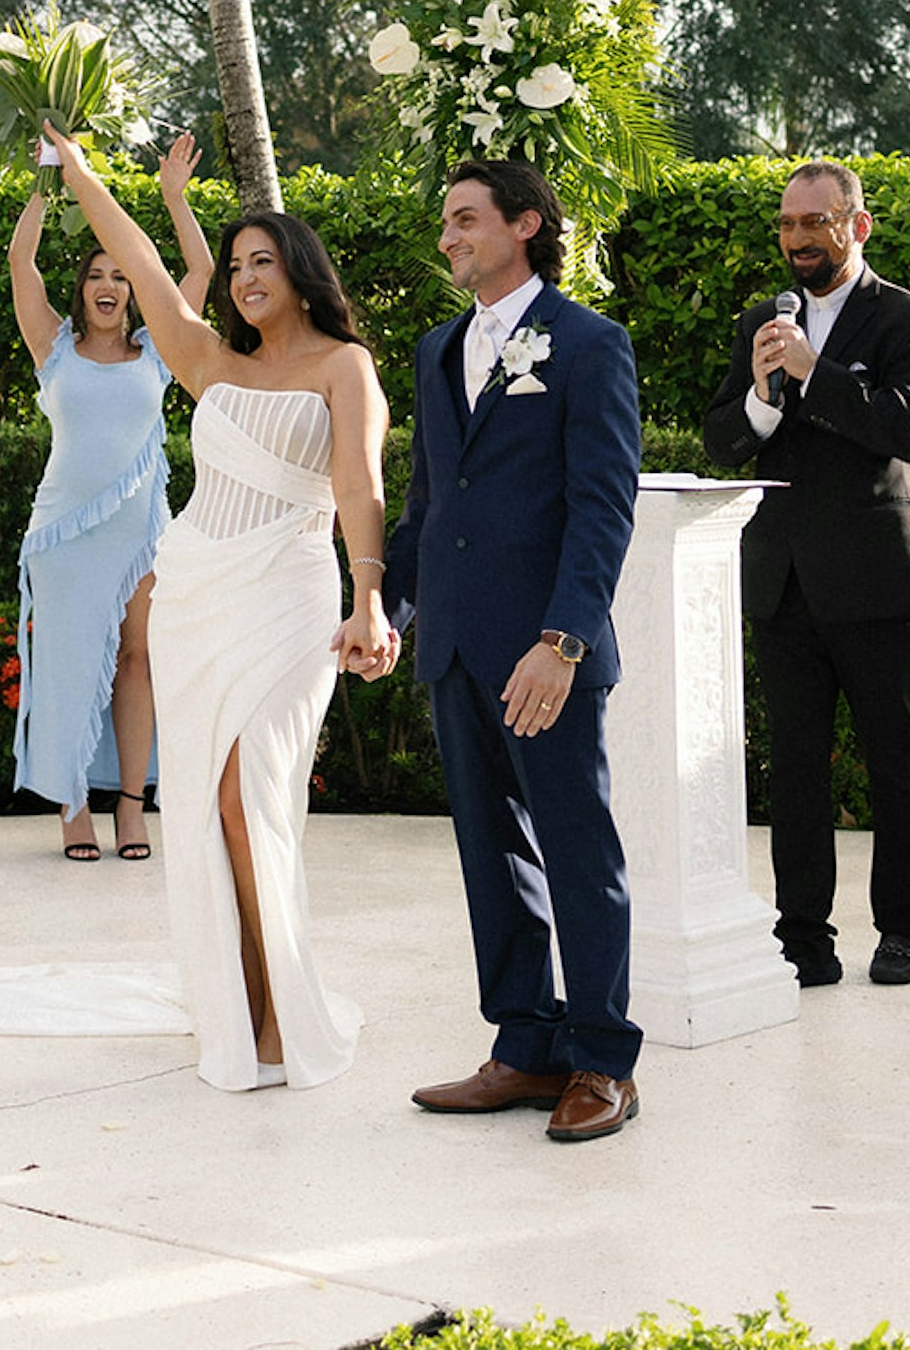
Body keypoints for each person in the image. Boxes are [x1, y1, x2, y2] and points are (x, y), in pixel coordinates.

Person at [45, 125, 396, 1093]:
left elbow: (360, 484)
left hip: (289, 597)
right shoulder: (208, 358)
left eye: (263, 260)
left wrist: (370, 597)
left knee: (253, 798)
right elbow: (153, 268)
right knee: (203, 807)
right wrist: (82, 178)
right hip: (197, 592)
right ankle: (241, 1010)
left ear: (301, 271)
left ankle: (283, 1010)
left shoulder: (343, 365)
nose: (244, 276)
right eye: (236, 262)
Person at [386, 158, 644, 1147]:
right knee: (492, 854)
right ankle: (526, 1044)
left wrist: (563, 639)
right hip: (454, 641)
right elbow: (427, 503)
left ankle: (604, 1059)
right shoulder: (436, 348)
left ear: (525, 224)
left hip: (546, 652)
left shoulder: (589, 344)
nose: (448, 235)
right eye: (445, 220)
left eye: (465, 218)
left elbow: (601, 506)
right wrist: (380, 604)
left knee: (578, 851)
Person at [704, 160, 910, 989]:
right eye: (787, 224)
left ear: (858, 224)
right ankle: (803, 937)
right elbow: (720, 439)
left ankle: (904, 931)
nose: (799, 239)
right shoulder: (758, 324)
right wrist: (764, 402)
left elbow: (907, 428)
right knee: (797, 769)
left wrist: (815, 372)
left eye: (816, 222)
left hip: (878, 579)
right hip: (782, 581)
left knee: (895, 761)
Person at [8, 132, 213, 864]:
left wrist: (174, 198)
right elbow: (20, 260)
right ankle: (71, 803)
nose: (110, 283)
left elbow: (198, 268)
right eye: (97, 273)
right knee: (67, 661)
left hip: (141, 527)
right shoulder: (53, 346)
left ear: (132, 289)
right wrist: (48, 178)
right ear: (83, 288)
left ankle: (132, 804)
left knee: (138, 658)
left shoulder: (159, 348)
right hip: (65, 532)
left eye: (121, 274)